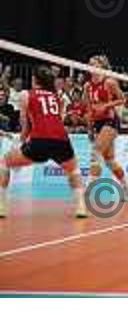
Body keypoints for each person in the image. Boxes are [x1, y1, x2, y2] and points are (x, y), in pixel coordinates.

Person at [0, 65, 87, 218]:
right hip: (61, 139)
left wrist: (19, 143)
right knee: (73, 170)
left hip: (39, 140)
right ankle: (81, 207)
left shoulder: (26, 95)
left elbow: (26, 125)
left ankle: (1, 205)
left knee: (4, 162)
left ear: (34, 79)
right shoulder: (57, 97)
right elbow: (57, 120)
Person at [83, 55, 128, 196]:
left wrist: (106, 105)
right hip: (97, 122)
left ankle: (87, 190)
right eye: (89, 64)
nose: (90, 66)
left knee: (95, 152)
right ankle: (126, 186)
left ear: (101, 66)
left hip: (110, 121)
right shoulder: (87, 86)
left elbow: (123, 99)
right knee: (109, 160)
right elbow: (89, 108)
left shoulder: (109, 82)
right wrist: (90, 128)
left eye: (93, 64)